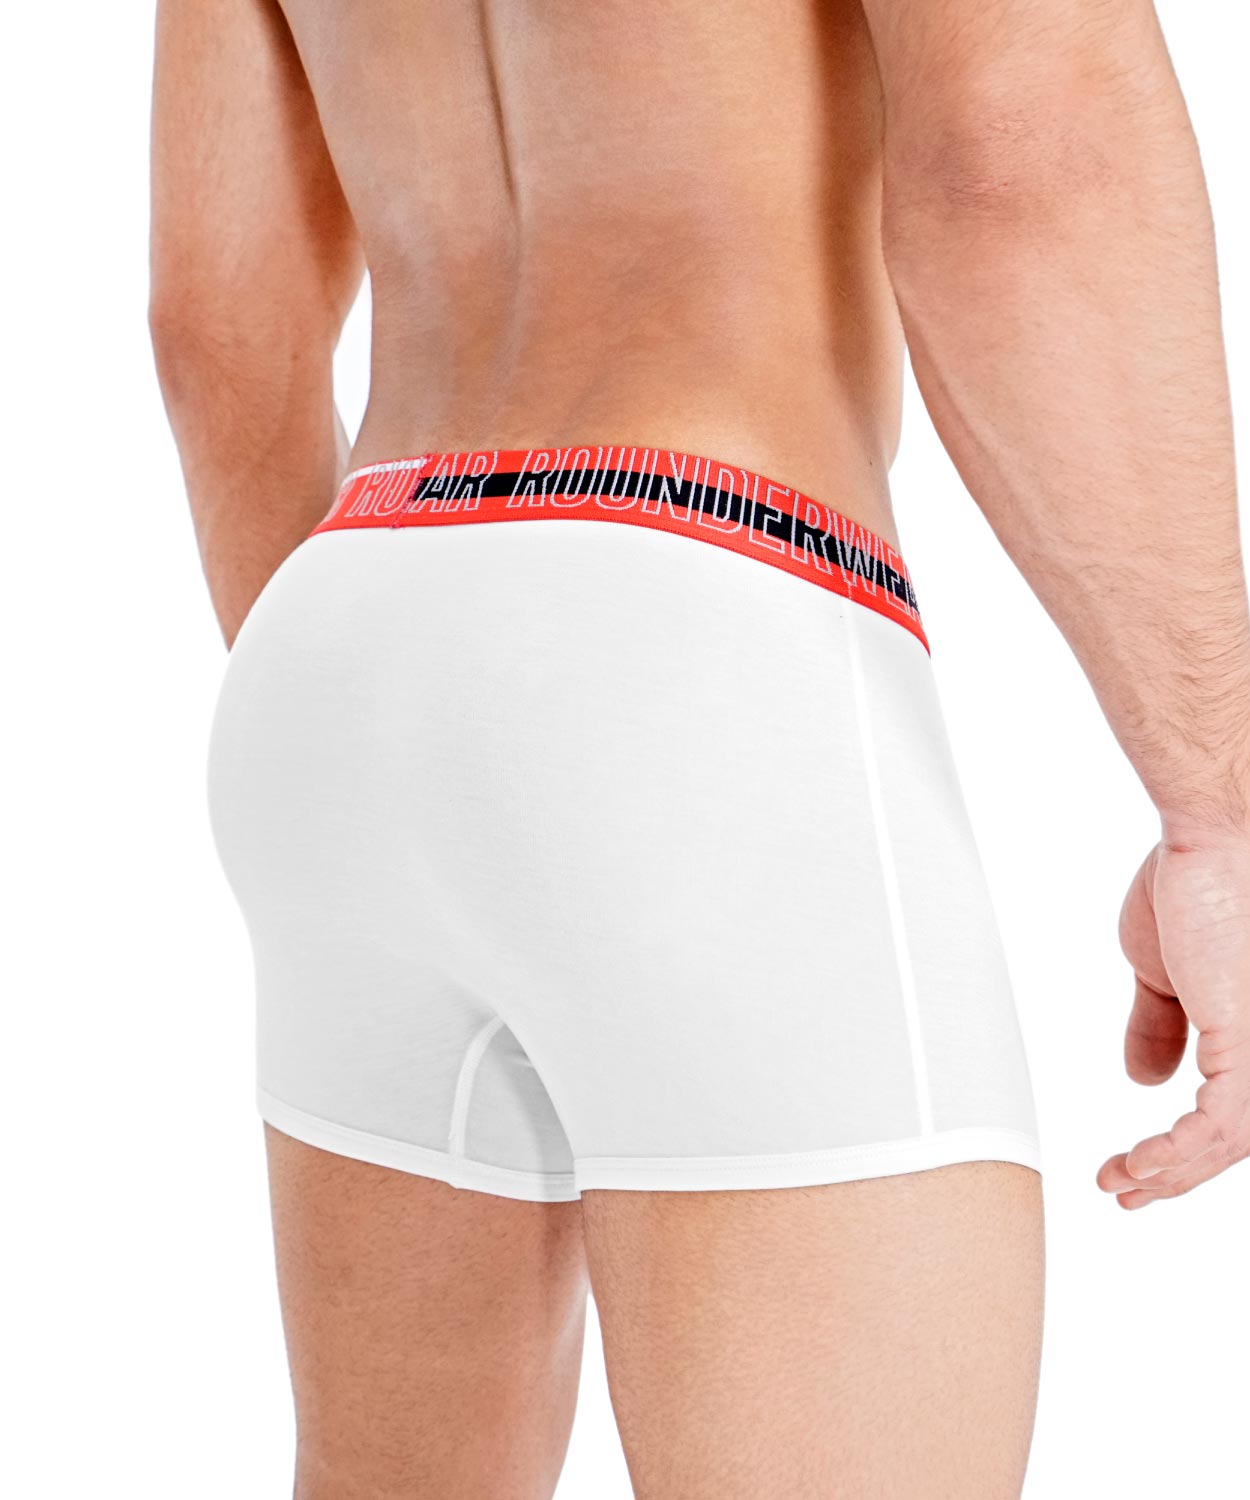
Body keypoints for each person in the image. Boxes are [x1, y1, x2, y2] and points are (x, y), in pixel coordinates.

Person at [149, 0, 1250, 1495]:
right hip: (698, 616)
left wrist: (428, 728)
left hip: (346, 630)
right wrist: (1215, 809)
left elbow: (216, 317)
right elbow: (1023, 144)